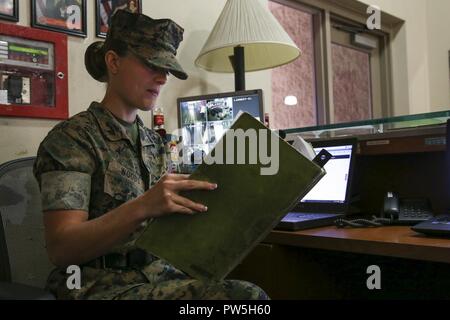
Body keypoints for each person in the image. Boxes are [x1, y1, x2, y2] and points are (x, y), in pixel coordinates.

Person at [33, 10, 269, 300]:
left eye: (166, 69)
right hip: (95, 285)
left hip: (160, 274)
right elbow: (62, 249)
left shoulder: (154, 143)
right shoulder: (73, 139)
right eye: (150, 64)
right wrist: (144, 206)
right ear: (113, 61)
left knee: (251, 284)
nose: (162, 78)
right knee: (245, 299)